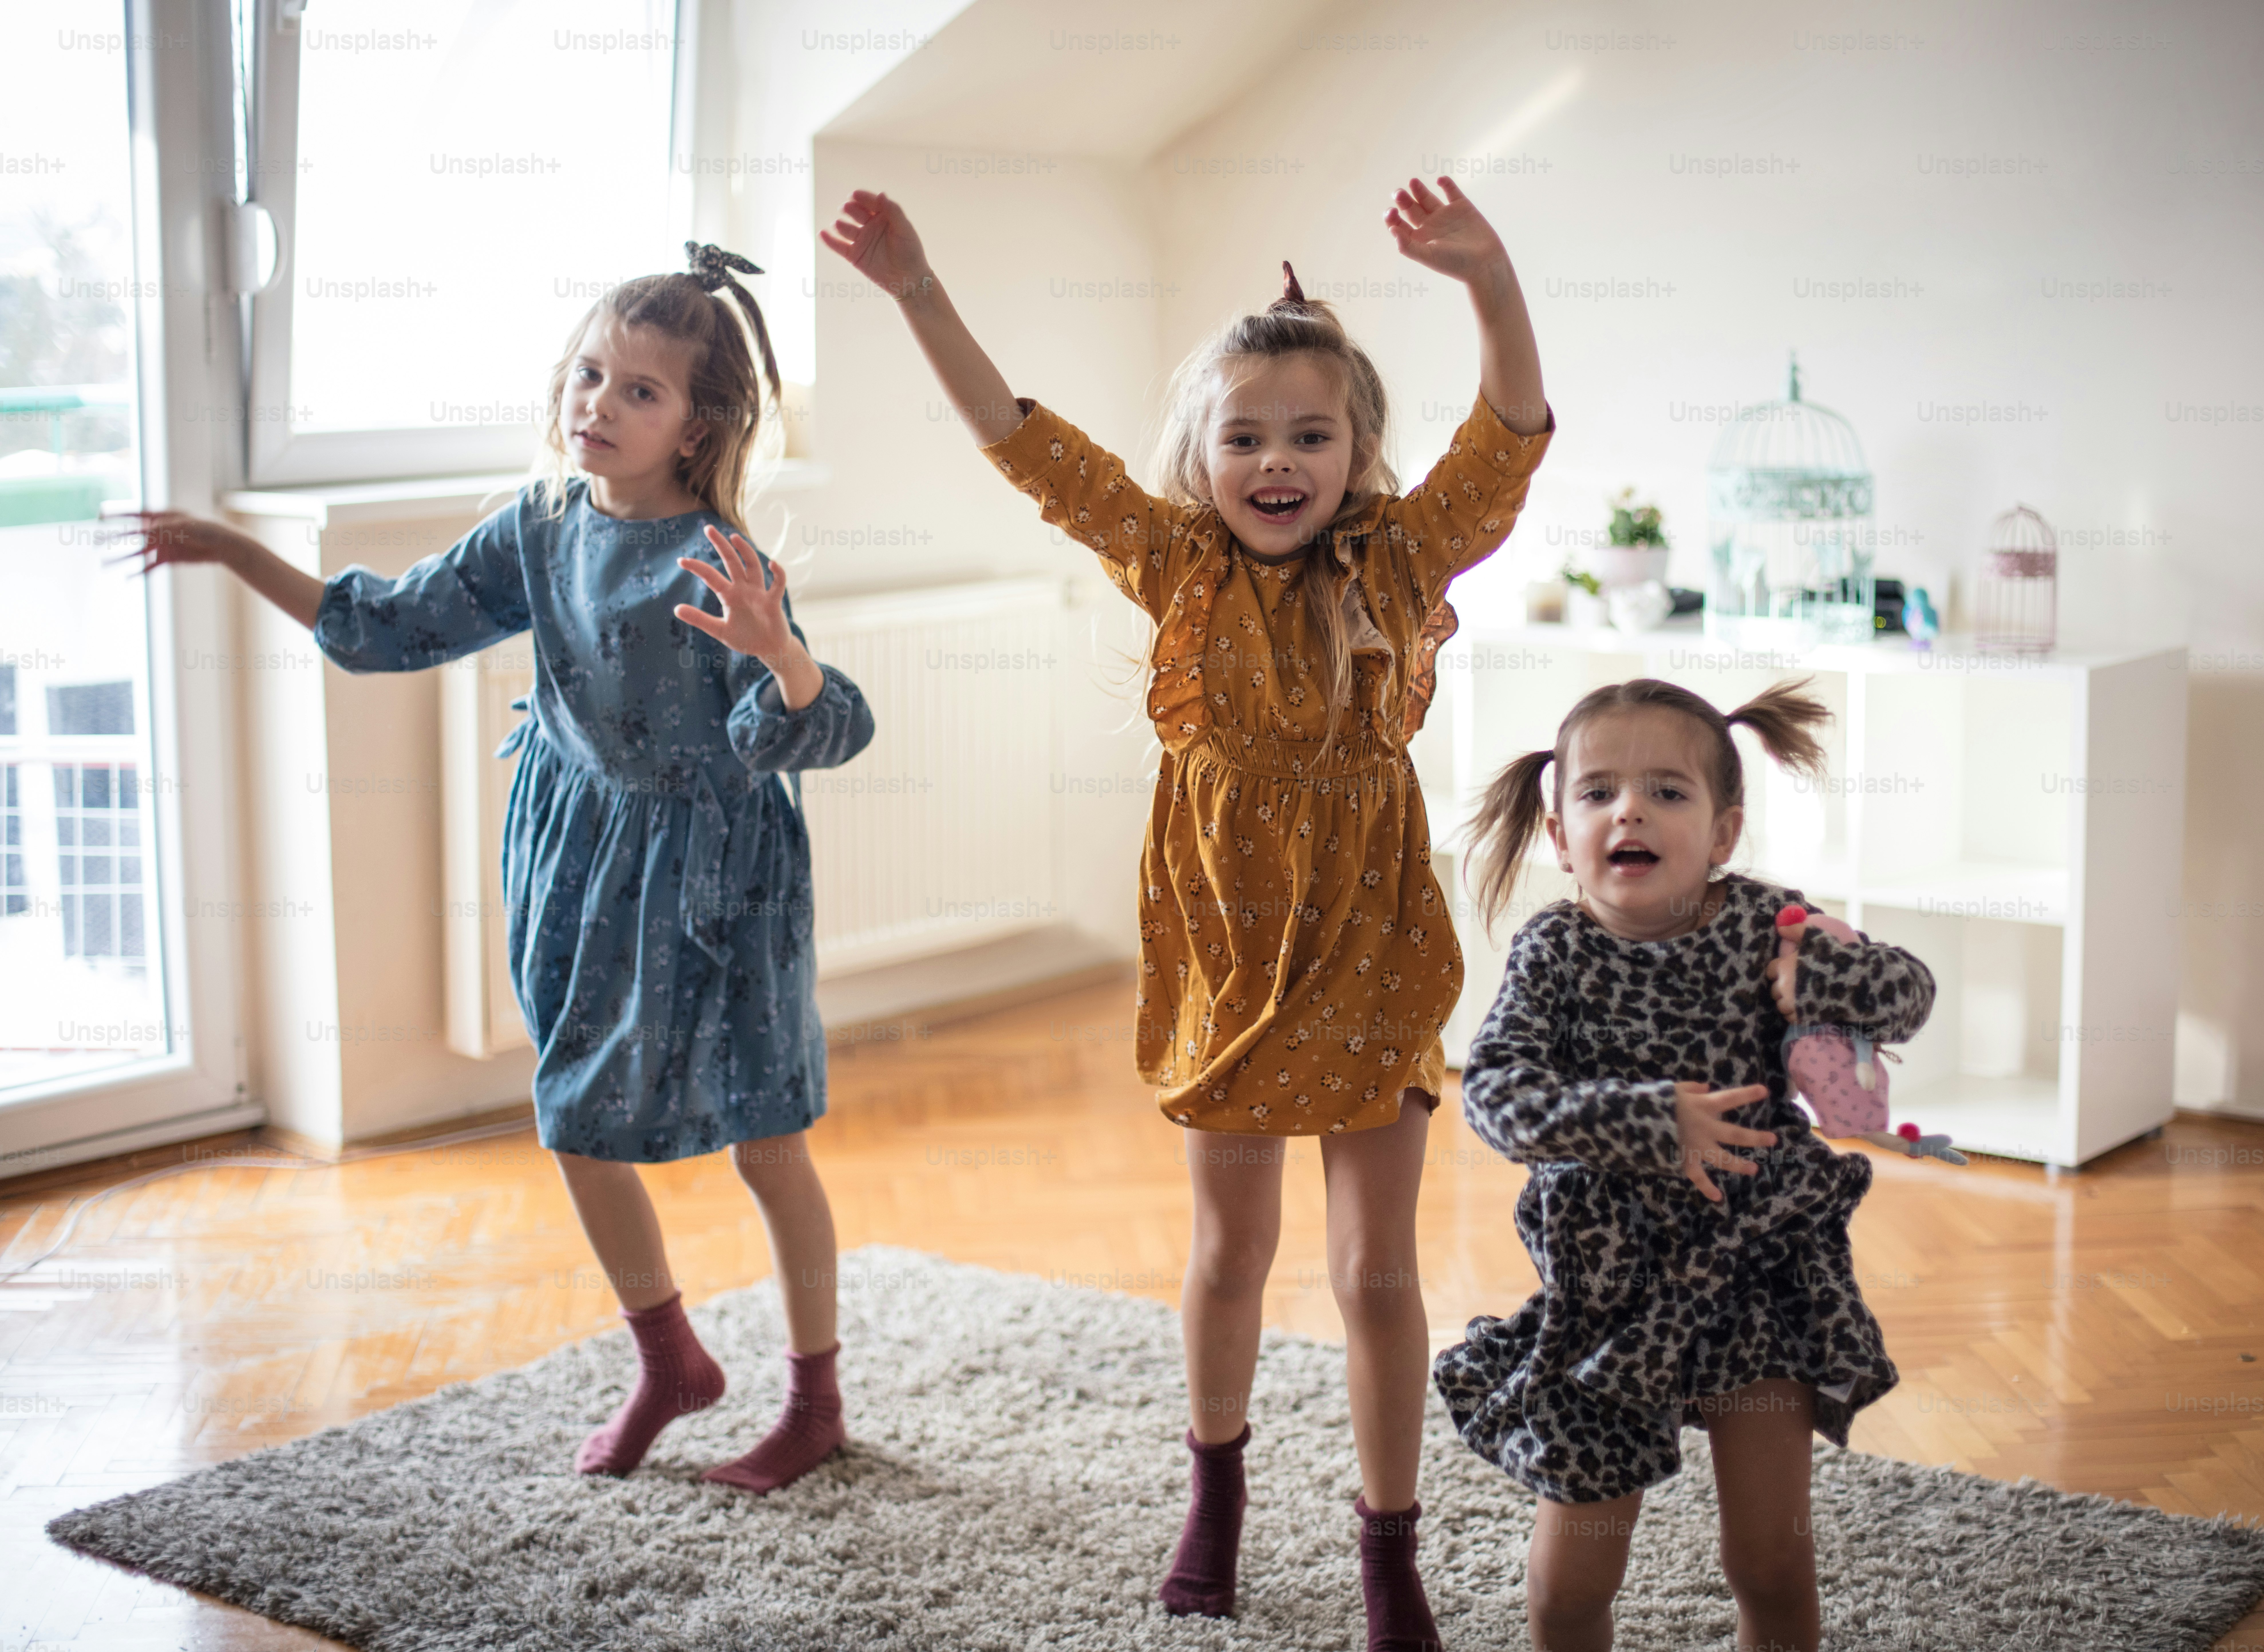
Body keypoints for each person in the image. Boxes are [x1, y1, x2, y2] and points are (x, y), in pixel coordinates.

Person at [824, 177, 1550, 1649]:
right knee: (1227, 1254)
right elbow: (1022, 443)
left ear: (1355, 453)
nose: (1275, 462)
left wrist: (1487, 278)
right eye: (1243, 436)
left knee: (1374, 1270)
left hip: (1370, 943)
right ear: (1201, 453)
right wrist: (915, 294)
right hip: (1224, 949)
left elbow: (1512, 433)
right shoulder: (1172, 562)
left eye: (1309, 434)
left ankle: (1386, 1545)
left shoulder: (1401, 558)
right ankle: (1213, 1492)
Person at [107, 243, 873, 1495]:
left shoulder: (716, 560)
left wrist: (782, 654)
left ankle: (815, 1400)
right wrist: (236, 553)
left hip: (721, 878)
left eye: (639, 391)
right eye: (589, 376)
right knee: (577, 1120)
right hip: (573, 856)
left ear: (700, 426)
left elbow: (823, 725)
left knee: (766, 1137)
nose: (597, 406)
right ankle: (669, 1357)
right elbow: (391, 626)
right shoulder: (540, 527)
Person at [1440, 677, 1935, 1651]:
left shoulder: (1765, 925)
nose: (1629, 810)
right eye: (1599, 794)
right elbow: (1494, 1096)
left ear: (1721, 833)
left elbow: (1909, 993)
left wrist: (1825, 973)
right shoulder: (1555, 953)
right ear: (1558, 835)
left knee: (1771, 1561)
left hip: (1759, 1270)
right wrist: (1648, 1120)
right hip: (1609, 1294)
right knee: (1571, 1587)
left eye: (1667, 792)